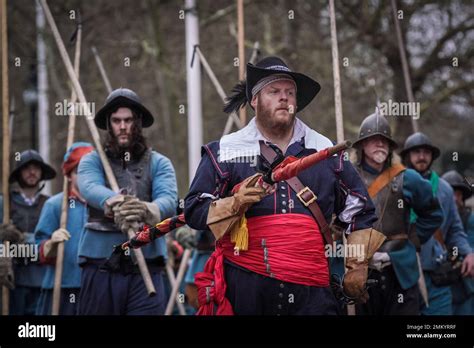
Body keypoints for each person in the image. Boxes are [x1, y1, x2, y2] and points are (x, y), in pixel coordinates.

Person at [184, 56, 383, 315]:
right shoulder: (225, 151)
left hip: (311, 290)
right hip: (246, 287)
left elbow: (359, 212)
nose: (284, 98)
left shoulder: (325, 151)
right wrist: (234, 204)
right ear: (254, 100)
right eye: (274, 91)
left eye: (290, 92)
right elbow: (194, 209)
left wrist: (357, 265)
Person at [76, 88, 178, 315]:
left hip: (147, 265)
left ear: (138, 123)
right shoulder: (91, 161)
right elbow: (89, 187)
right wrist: (117, 202)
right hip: (100, 263)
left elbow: (169, 199)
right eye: (116, 121)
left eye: (128, 120)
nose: (122, 126)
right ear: (109, 124)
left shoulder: (160, 163)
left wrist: (144, 209)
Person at [352, 111, 443, 315]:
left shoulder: (408, 178)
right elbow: (337, 223)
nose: (380, 144)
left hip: (401, 270)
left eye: (384, 141)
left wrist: (412, 241)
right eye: (374, 140)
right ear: (362, 145)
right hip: (361, 271)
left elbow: (434, 214)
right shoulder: (348, 177)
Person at [400, 132, 474, 315]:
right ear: (408, 156)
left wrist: (468, 253)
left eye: (426, 152)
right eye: (416, 152)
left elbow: (455, 230)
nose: (422, 156)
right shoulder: (396, 185)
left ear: (432, 156)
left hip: (437, 275)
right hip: (402, 273)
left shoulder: (445, 189)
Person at [34, 142, 94, 315]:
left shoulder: (104, 205)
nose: (84, 177)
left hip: (96, 288)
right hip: (61, 289)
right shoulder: (54, 205)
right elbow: (39, 249)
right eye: (78, 172)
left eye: (89, 172)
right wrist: (52, 243)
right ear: (68, 175)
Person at [0, 149, 56, 314]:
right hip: (13, 278)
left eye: (36, 168)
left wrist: (22, 239)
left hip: (43, 277)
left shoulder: (51, 204)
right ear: (19, 173)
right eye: (27, 168)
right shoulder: (5, 203)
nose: (32, 172)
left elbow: (53, 239)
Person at [441, 170, 474, 315]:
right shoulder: (432, 218)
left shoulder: (469, 218)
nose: (454, 198)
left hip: (464, 283)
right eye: (450, 193)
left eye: (458, 193)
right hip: (439, 279)